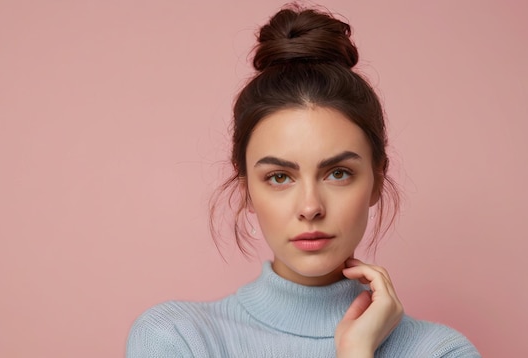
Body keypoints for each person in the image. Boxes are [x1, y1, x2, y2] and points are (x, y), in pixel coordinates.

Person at [126, 5, 480, 357]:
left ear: (376, 180)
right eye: (279, 177)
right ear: (247, 188)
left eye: (338, 173)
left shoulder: (441, 352)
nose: (310, 207)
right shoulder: (176, 338)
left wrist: (357, 351)